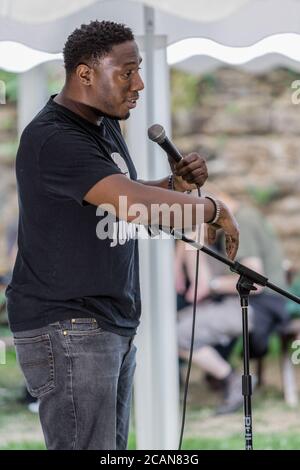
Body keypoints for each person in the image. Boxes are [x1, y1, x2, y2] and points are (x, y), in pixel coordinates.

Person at [6, 20, 239, 450]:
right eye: (127, 72)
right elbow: (131, 203)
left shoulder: (101, 123)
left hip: (103, 322)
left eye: (139, 70)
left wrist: (175, 188)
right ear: (85, 74)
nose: (140, 84)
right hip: (69, 325)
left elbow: (118, 194)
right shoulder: (53, 138)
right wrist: (212, 209)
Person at [176, 187, 289, 414]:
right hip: (256, 304)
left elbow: (255, 281)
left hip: (261, 306)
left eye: (203, 211)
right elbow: (191, 243)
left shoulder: (242, 221)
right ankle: (221, 378)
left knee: (175, 333)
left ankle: (230, 379)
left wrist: (212, 285)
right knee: (178, 323)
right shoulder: (245, 216)